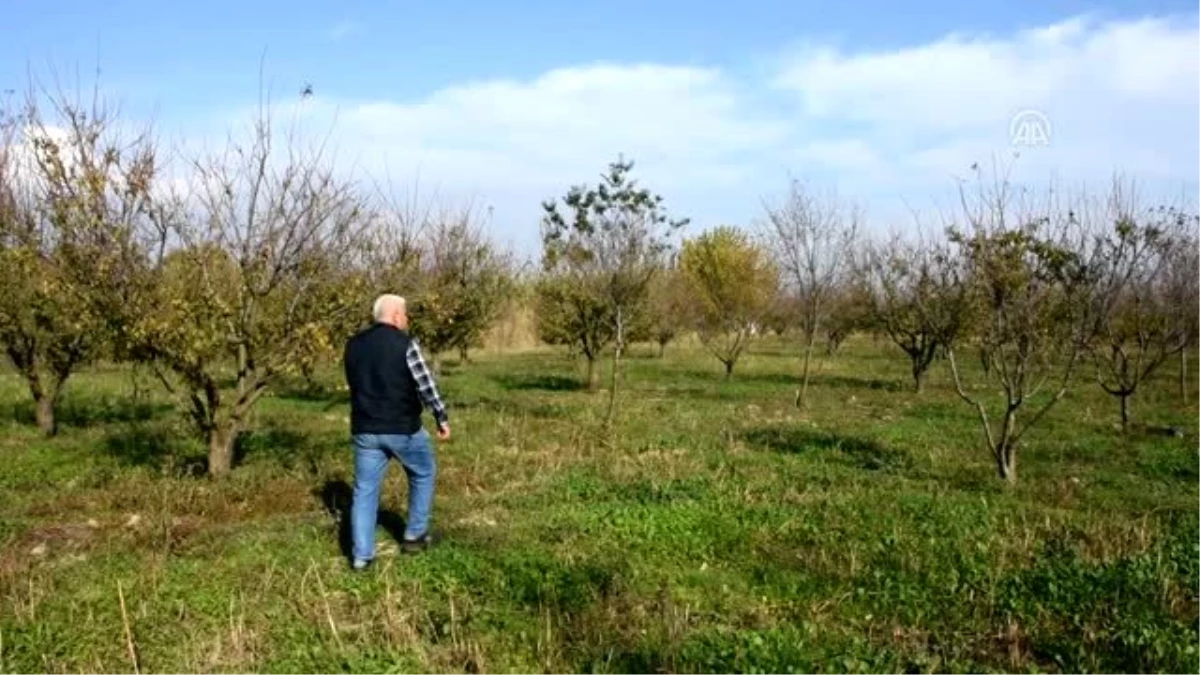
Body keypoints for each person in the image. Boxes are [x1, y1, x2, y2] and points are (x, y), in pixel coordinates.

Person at [342, 294, 450, 570]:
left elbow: (356, 383)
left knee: (364, 490)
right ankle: (414, 535)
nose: (407, 319)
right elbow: (426, 385)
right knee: (423, 471)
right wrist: (441, 416)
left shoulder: (353, 346)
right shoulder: (406, 345)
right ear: (394, 316)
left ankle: (361, 558)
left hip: (365, 429)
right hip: (402, 427)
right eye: (404, 314)